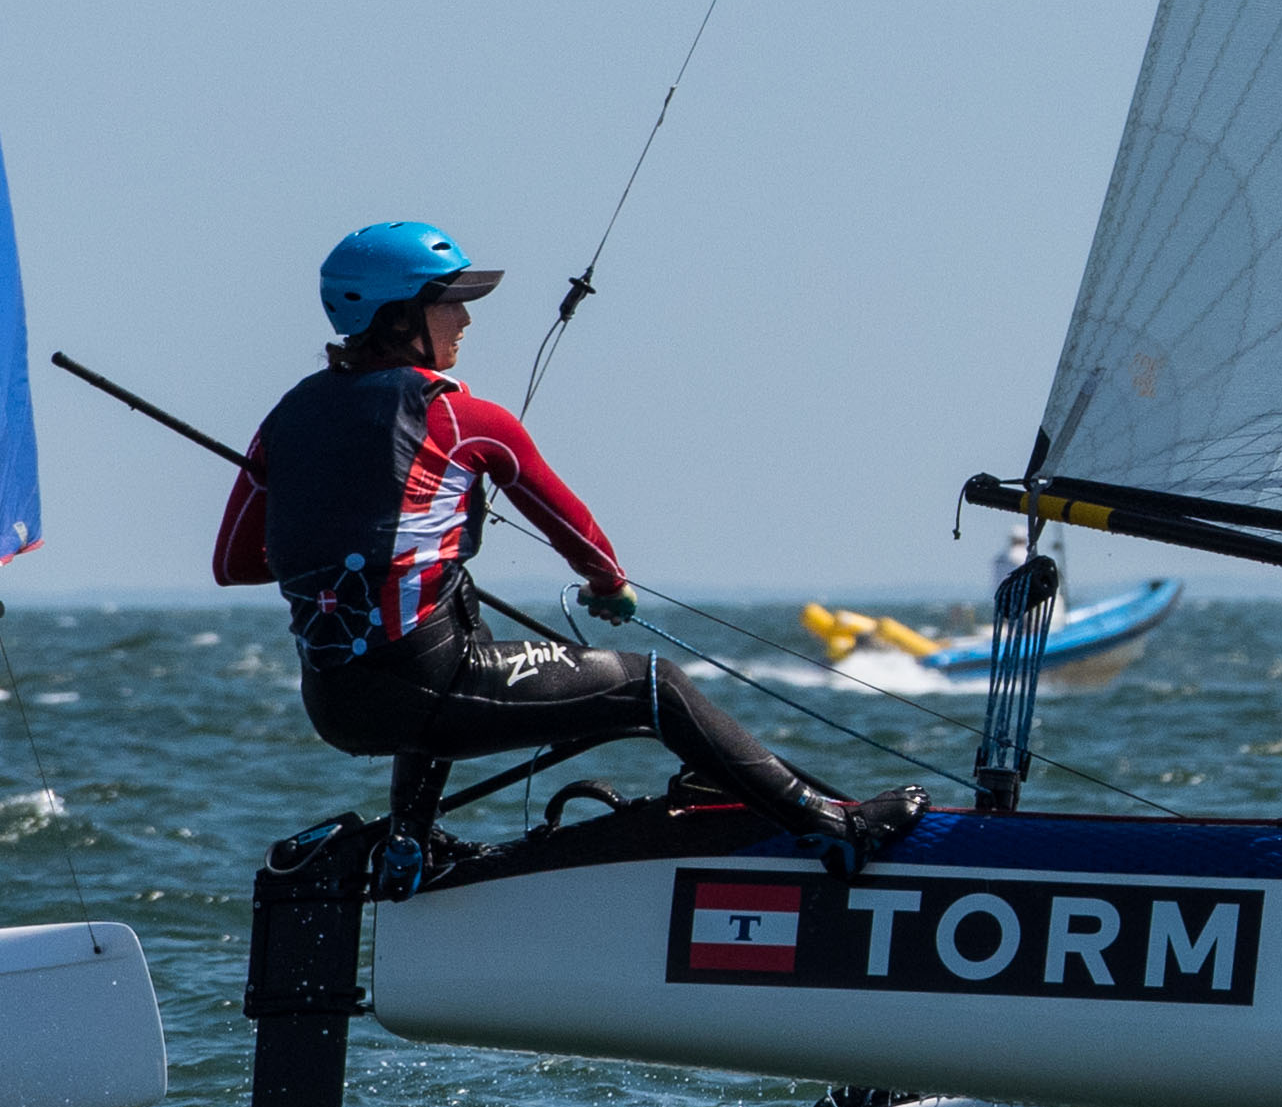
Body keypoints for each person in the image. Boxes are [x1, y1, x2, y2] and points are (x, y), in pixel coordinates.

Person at [212, 221, 919, 869]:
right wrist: (608, 586)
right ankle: (839, 828)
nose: (466, 320)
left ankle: (410, 843)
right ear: (397, 318)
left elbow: (234, 563)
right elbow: (579, 536)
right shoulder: (463, 419)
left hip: (335, 704)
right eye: (449, 303)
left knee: (457, 605)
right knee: (653, 686)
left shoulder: (285, 419)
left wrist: (353, 552)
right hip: (429, 690)